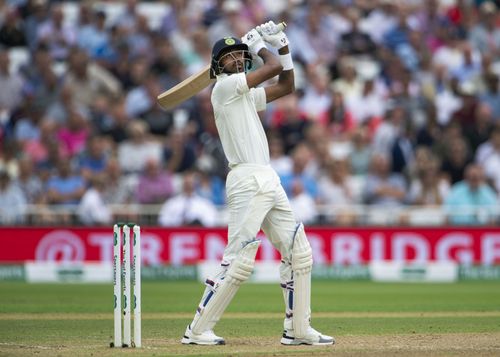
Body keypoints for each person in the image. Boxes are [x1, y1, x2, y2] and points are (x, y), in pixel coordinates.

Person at [181, 22, 334, 346]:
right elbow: (272, 67)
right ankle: (196, 330)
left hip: (267, 176)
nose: (236, 59)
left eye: (239, 54)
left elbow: (286, 84)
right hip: (246, 179)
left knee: (299, 251)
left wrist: (284, 47)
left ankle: (298, 329)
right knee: (238, 258)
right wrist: (258, 47)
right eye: (229, 57)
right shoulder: (223, 89)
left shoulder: (246, 94)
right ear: (217, 65)